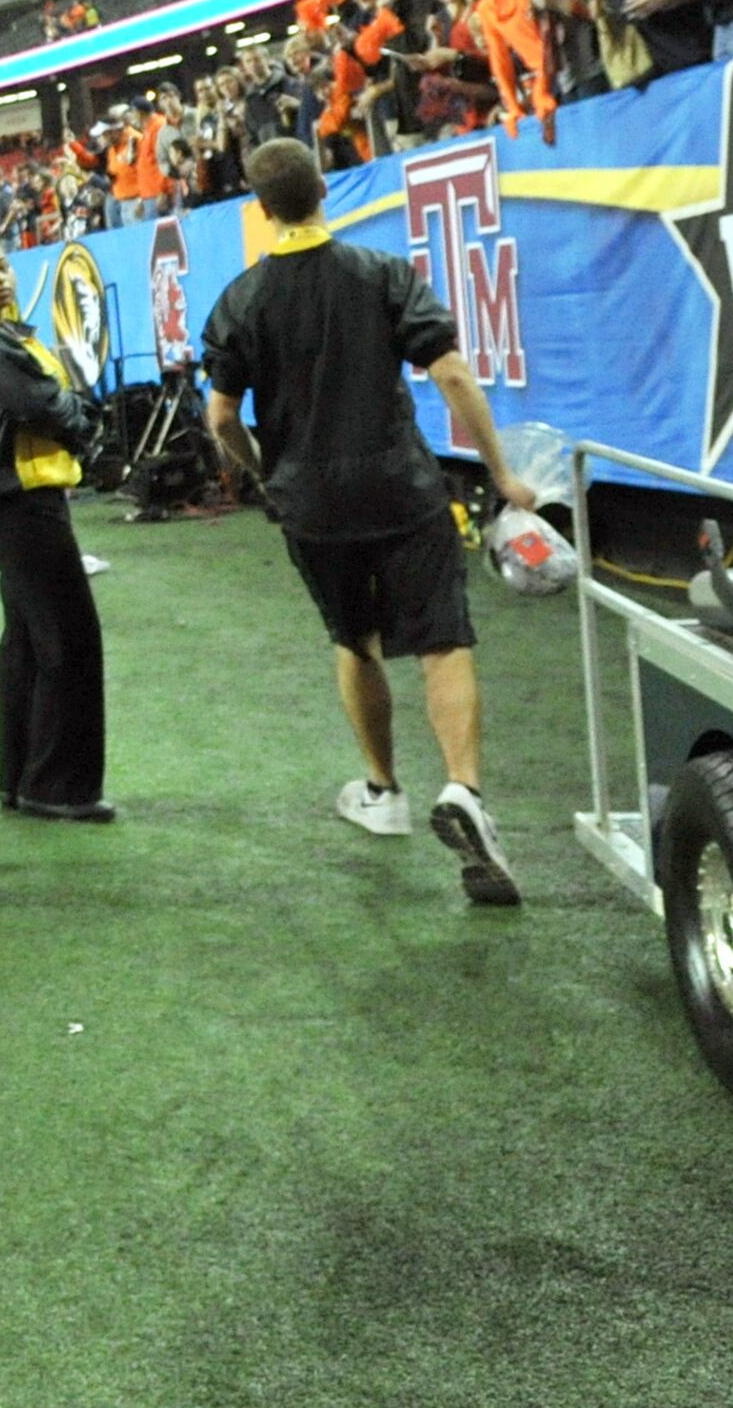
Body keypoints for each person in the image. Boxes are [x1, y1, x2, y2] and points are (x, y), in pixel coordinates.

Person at [201, 141, 543, 906]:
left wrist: (265, 472)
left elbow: (221, 415)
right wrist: (500, 472)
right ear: (324, 190)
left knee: (354, 640)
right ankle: (464, 790)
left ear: (261, 209)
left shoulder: (241, 298)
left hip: (312, 505)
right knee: (442, 639)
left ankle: (384, 789)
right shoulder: (382, 273)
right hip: (402, 487)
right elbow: (450, 371)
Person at [0, 225, 112, 824]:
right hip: (19, 503)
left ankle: (23, 778)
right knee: (70, 640)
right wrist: (89, 430)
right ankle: (60, 788)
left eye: (3, 267)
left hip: (10, 504)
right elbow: (38, 402)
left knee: (29, 644)